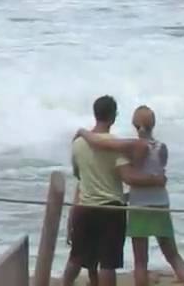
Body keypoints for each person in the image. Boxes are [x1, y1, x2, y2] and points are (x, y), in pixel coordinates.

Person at [76, 106, 184, 286]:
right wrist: (154, 181)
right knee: (172, 254)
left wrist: (83, 133)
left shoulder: (134, 148)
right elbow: (157, 170)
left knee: (140, 262)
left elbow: (131, 176)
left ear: (134, 125)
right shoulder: (162, 148)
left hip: (139, 206)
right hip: (161, 204)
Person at [62, 96, 157, 286]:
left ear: (95, 114)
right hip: (111, 209)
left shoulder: (78, 144)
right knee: (107, 263)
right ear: (113, 116)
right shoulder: (116, 146)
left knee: (76, 257)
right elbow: (125, 176)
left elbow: (79, 176)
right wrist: (154, 181)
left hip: (85, 206)